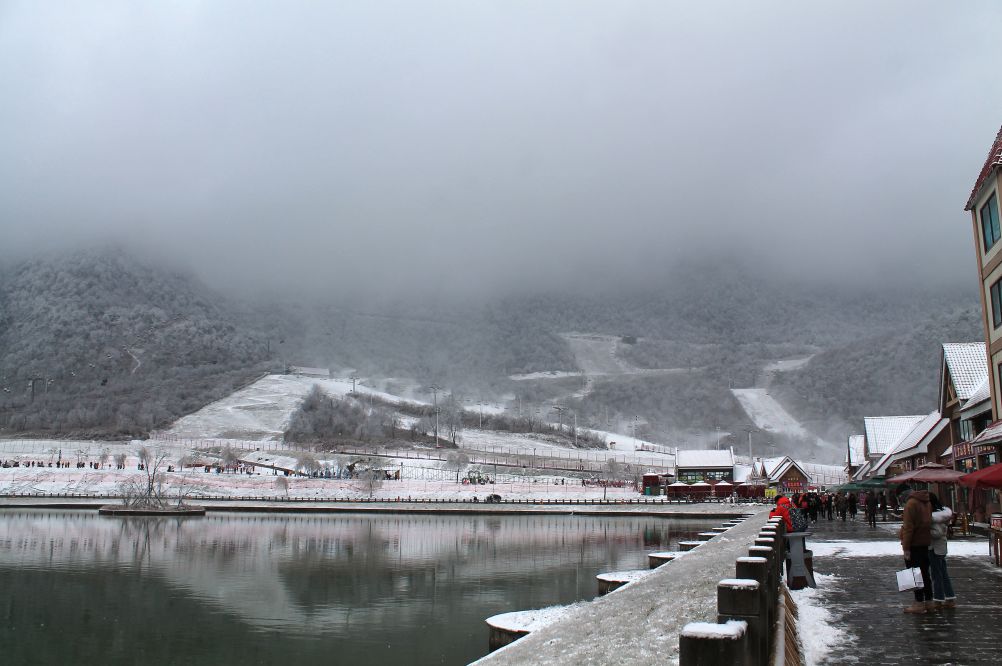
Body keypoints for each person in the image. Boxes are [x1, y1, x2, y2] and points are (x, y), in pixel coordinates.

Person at [899, 486, 934, 613]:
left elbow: (909, 528)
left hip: (914, 543)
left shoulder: (910, 504)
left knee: (915, 575)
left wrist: (906, 547)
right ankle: (929, 601)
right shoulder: (926, 501)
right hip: (925, 542)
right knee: (925, 573)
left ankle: (918, 603)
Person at [928, 493, 957, 609]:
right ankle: (950, 597)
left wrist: (925, 531)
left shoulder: (935, 517)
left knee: (937, 575)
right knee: (943, 574)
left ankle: (938, 599)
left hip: (934, 548)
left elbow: (937, 533)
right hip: (940, 547)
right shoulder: (942, 514)